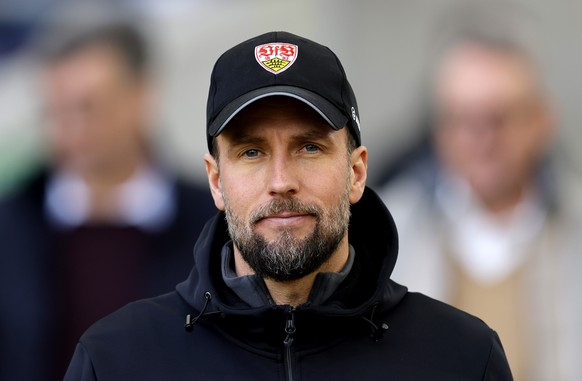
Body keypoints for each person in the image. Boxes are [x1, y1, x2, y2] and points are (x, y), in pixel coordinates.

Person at [63, 31, 513, 380]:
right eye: (252, 152)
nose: (281, 182)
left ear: (356, 172)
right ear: (216, 180)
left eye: (310, 148)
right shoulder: (116, 361)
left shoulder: (461, 358)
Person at [0, 23, 216, 381]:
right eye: (56, 111)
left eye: (88, 107)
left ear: (142, 95)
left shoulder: (211, 223)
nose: (71, 128)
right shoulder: (13, 226)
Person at [377, 29, 582, 380]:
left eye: (498, 119)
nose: (481, 140)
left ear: (540, 121)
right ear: (438, 129)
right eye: (462, 119)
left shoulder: (572, 226)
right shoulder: (387, 232)